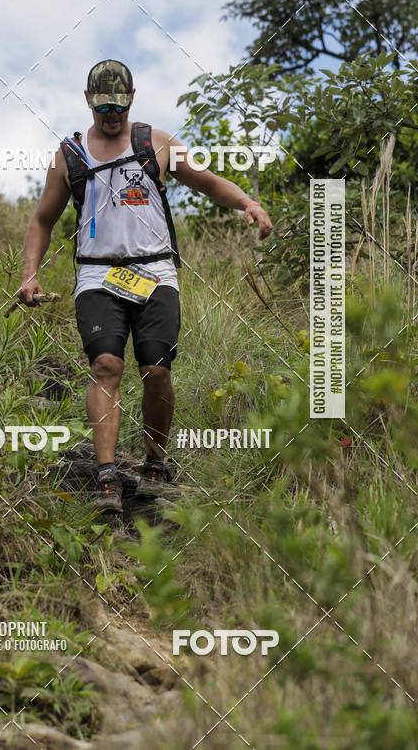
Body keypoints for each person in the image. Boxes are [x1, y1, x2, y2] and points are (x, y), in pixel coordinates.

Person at [18, 59, 272, 513]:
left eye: (118, 105)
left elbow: (209, 182)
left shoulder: (155, 144)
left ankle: (156, 463)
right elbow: (42, 221)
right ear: (88, 101)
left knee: (156, 371)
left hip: (155, 274)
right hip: (98, 275)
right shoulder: (70, 156)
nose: (111, 114)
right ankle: (107, 476)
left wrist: (247, 203)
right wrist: (29, 274)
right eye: (102, 107)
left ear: (132, 98)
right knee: (107, 367)